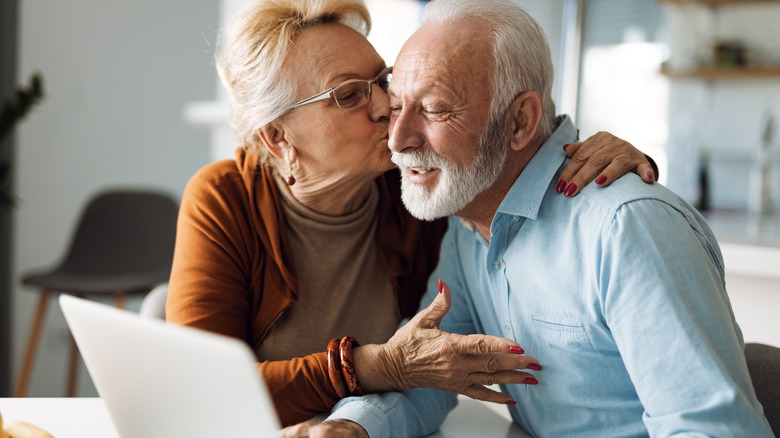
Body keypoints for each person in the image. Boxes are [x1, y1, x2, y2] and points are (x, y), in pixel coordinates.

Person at [166, 0, 658, 429]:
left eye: (381, 80)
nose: (386, 108)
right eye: (349, 94)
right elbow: (199, 393)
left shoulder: (423, 185)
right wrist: (375, 367)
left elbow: (508, 146)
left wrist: (593, 156)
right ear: (278, 137)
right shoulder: (225, 197)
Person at [311, 0, 774, 437]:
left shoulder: (627, 228)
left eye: (434, 109)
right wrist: (354, 426)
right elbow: (435, 368)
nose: (397, 138)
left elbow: (710, 429)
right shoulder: (468, 222)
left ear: (519, 122)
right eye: (395, 107)